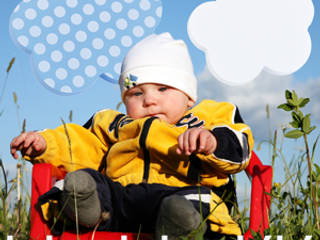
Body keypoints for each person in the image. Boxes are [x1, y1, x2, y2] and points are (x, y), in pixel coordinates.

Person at [10, 33, 254, 240]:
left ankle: (180, 224)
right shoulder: (112, 124)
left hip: (176, 196)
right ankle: (84, 204)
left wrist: (212, 141)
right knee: (89, 181)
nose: (149, 100)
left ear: (188, 96)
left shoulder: (208, 117)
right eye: (136, 93)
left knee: (194, 201)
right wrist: (43, 143)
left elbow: (240, 144)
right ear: (124, 99)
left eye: (163, 88)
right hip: (121, 201)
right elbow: (78, 142)